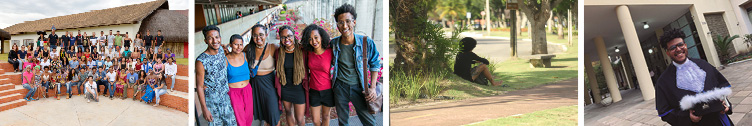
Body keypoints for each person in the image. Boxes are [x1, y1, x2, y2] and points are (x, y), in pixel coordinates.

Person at [655, 29, 734, 126]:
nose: (678, 49)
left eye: (680, 45)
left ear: (685, 45)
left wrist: (726, 105)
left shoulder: (704, 65)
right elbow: (665, 112)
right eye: (672, 48)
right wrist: (687, 117)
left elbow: (721, 87)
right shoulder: (663, 81)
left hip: (719, 119)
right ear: (667, 52)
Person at [330, 4, 382, 125]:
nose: (344, 26)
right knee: (343, 122)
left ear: (354, 22)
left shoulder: (365, 42)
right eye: (340, 22)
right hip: (340, 87)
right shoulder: (333, 44)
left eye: (348, 21)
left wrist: (373, 88)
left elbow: (375, 64)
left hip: (360, 88)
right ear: (337, 25)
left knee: (370, 122)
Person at [196, 25, 237, 126]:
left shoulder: (222, 50)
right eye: (210, 38)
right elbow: (200, 87)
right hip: (211, 103)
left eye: (217, 37)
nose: (215, 41)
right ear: (205, 41)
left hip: (225, 99)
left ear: (220, 38)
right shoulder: (201, 61)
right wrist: (204, 108)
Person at [243, 24, 281, 126]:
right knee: (264, 114)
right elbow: (237, 60)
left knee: (274, 114)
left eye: (261, 35)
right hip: (254, 85)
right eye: (255, 35)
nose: (258, 38)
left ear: (266, 34)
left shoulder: (273, 47)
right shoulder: (248, 48)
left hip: (270, 84)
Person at [302, 24, 335, 126]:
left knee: (326, 117)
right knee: (315, 120)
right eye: (310, 39)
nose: (314, 41)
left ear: (321, 37)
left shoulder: (330, 51)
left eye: (316, 38)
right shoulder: (308, 52)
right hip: (314, 91)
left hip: (328, 90)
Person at [275, 25, 307, 126]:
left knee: (300, 118)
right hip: (285, 87)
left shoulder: (302, 50)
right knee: (288, 112)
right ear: (280, 38)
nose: (286, 39)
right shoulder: (278, 52)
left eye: (289, 36)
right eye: (283, 37)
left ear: (294, 36)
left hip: (299, 88)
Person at [222, 34, 254, 126]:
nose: (239, 47)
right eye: (236, 44)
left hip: (247, 89)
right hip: (234, 92)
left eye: (241, 44)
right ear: (230, 45)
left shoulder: (246, 56)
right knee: (239, 118)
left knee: (249, 116)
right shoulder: (225, 60)